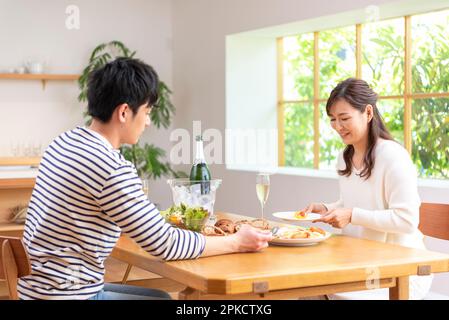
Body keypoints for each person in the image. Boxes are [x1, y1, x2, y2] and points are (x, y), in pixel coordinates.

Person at [18, 57, 273, 300]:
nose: (148, 122)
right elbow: (165, 244)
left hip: (38, 288)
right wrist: (237, 242)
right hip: (69, 294)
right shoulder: (109, 166)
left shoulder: (63, 142)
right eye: (147, 111)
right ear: (124, 112)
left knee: (160, 296)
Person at [304, 78, 432, 300]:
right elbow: (354, 202)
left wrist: (352, 215)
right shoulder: (345, 158)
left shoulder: (393, 156)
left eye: (344, 118)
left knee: (314, 291)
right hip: (360, 260)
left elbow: (406, 220)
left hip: (400, 269)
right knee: (306, 290)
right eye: (333, 120)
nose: (338, 126)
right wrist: (327, 208)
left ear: (368, 113)